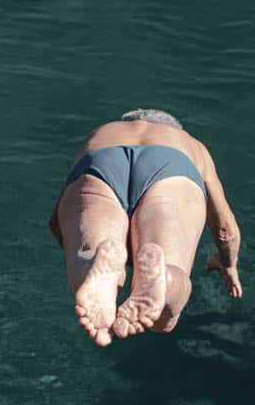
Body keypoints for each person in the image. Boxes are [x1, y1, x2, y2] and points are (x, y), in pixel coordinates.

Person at [49, 109, 242, 346]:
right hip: (171, 167)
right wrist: (228, 263)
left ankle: (93, 263)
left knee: (89, 252)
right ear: (174, 128)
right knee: (164, 318)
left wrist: (75, 248)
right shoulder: (192, 145)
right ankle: (166, 278)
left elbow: (55, 221)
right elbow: (226, 230)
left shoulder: (101, 133)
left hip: (100, 163)